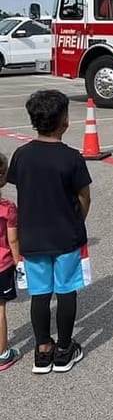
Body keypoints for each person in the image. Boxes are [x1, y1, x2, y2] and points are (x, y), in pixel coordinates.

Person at [6, 90, 91, 373]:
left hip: (32, 238)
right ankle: (65, 348)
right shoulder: (71, 158)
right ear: (64, 120)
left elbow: (19, 185)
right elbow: (83, 197)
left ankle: (43, 349)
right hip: (66, 235)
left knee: (40, 293)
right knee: (66, 290)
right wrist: (77, 219)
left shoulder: (21, 155)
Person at [0, 152, 21, 370]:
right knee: (0, 309)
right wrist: (19, 262)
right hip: (2, 264)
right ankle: (2, 352)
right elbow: (13, 239)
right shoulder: (7, 208)